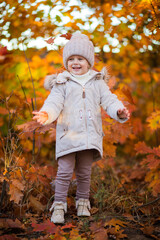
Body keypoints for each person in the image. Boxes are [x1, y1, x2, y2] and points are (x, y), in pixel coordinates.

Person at [32, 33, 130, 224]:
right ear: (66, 62)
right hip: (68, 136)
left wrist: (118, 111)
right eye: (71, 59)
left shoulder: (98, 82)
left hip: (89, 137)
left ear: (89, 62)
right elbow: (53, 102)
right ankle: (59, 204)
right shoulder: (62, 82)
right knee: (65, 172)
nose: (75, 63)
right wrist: (46, 114)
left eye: (80, 59)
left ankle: (82, 202)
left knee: (85, 172)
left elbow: (109, 100)